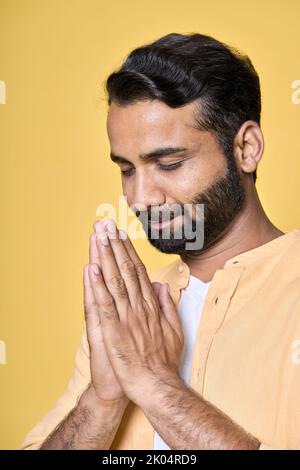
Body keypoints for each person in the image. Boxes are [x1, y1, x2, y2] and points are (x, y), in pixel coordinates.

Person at [20, 32, 300, 450]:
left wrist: (153, 382)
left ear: (246, 148)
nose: (139, 198)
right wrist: (102, 399)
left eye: (168, 163)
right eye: (127, 169)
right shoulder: (131, 308)